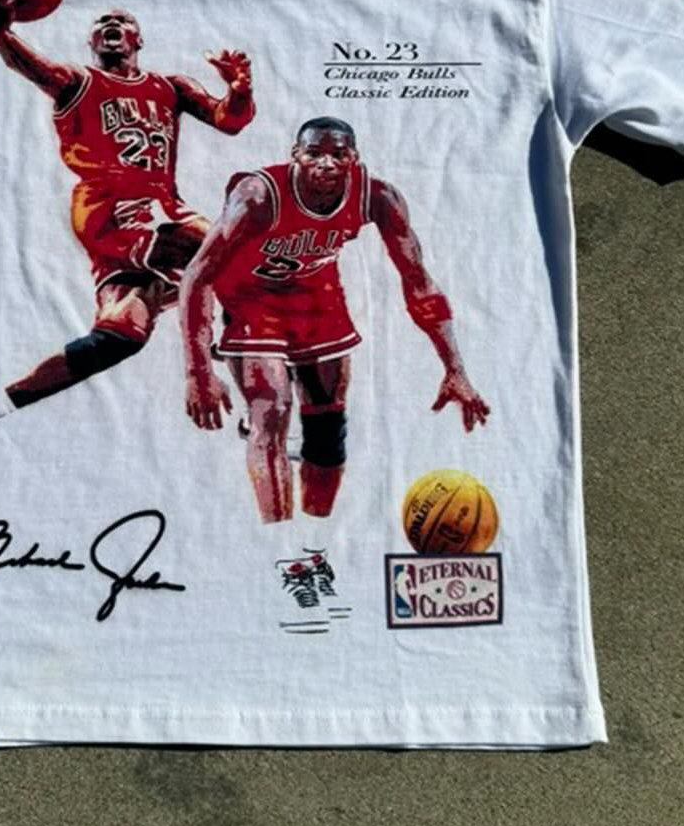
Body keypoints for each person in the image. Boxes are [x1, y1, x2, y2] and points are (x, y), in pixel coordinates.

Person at [0, 0, 255, 474]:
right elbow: (34, 68)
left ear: (138, 40)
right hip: (111, 206)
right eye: (102, 22)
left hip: (158, 206)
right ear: (92, 42)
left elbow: (230, 120)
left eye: (122, 20)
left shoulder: (170, 87)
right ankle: (245, 372)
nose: (111, 24)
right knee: (230, 248)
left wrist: (239, 89)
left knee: (121, 337)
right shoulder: (79, 81)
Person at [180, 115, 489, 524]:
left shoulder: (378, 197)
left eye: (338, 155)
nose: (325, 163)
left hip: (317, 297)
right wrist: (198, 371)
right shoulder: (257, 195)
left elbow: (418, 282)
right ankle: (276, 532)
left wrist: (455, 368)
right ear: (295, 155)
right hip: (251, 298)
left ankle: (317, 530)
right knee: (272, 410)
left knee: (327, 432)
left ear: (353, 159)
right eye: (314, 153)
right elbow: (197, 276)